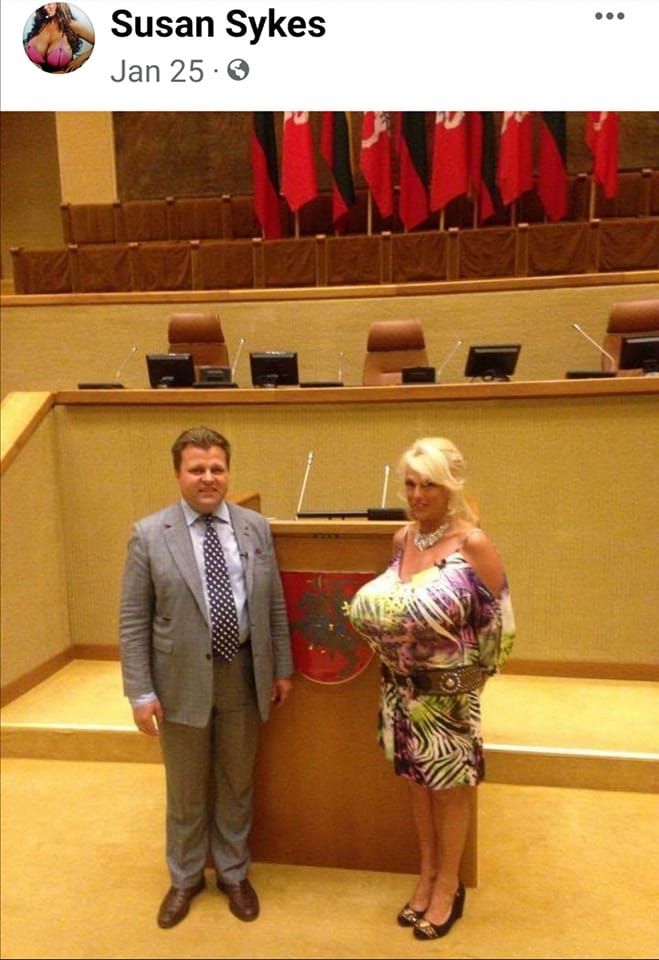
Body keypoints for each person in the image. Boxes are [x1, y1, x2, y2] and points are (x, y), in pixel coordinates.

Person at [120, 426, 293, 929]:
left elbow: (273, 604)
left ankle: (233, 873)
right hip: (178, 682)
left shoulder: (254, 528)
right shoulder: (149, 535)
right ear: (178, 474)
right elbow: (133, 619)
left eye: (217, 468)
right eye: (197, 469)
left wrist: (281, 668)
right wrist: (140, 692)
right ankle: (186, 877)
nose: (208, 478)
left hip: (244, 673)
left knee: (236, 781)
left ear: (228, 472)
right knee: (186, 788)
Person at [348, 437, 514, 941]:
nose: (418, 495)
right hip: (400, 694)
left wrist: (469, 686)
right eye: (411, 484)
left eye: (430, 486)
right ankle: (425, 874)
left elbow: (500, 628)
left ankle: (449, 885)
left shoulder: (472, 544)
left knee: (448, 791)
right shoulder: (403, 539)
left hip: (448, 696)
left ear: (451, 487)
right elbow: (394, 608)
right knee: (417, 787)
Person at [24, 4, 94, 73]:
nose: (45, 7)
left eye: (49, 3)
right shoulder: (41, 24)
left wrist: (79, 59)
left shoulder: (72, 25)